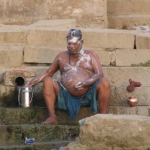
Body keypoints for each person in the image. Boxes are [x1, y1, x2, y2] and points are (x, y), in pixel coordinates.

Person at [24, 29, 110, 124]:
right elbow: (48, 73)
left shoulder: (90, 55)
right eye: (69, 44)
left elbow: (100, 74)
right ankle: (52, 117)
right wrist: (29, 83)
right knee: (48, 81)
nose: (71, 46)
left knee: (104, 82)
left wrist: (86, 83)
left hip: (88, 92)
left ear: (82, 42)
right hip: (65, 93)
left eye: (74, 44)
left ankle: (103, 117)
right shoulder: (61, 56)